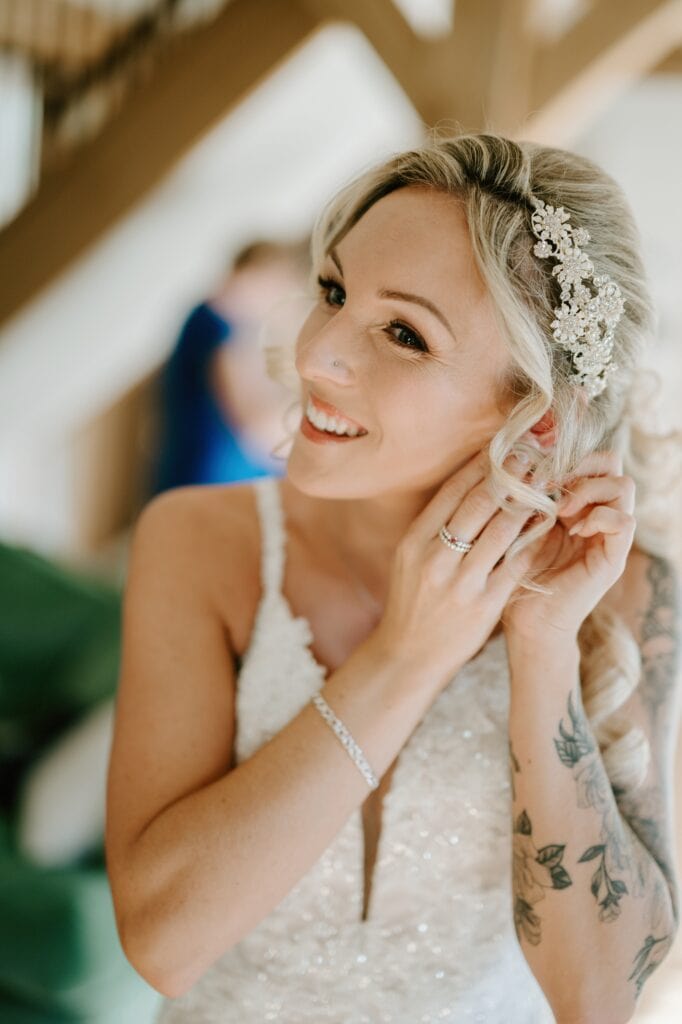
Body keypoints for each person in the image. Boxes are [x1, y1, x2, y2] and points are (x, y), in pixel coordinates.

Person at [105, 130, 682, 1023]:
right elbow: (163, 946)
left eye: (404, 334)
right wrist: (409, 654)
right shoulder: (198, 542)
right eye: (332, 291)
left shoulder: (622, 592)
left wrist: (543, 648)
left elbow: (601, 999)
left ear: (535, 416)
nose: (315, 356)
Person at [148, 238, 309, 494]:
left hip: (198, 480)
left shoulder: (210, 319)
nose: (280, 301)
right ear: (257, 274)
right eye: (279, 287)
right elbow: (258, 427)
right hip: (206, 486)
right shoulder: (225, 327)